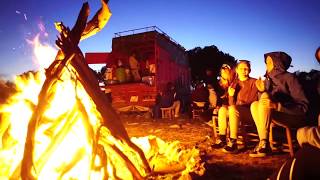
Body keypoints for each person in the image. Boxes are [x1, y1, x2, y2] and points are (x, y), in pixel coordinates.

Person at [250, 51, 309, 158]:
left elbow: (303, 107)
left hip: (294, 115)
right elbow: (262, 107)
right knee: (254, 104)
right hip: (275, 115)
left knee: (264, 98)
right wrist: (262, 90)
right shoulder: (268, 81)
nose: (266, 65)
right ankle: (263, 141)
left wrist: (277, 106)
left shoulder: (290, 78)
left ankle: (264, 142)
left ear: (277, 63)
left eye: (269, 62)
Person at [222, 60, 259, 153]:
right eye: (241, 68)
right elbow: (231, 104)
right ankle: (221, 139)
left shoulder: (254, 82)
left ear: (249, 70)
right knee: (223, 110)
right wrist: (230, 95)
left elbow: (256, 100)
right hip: (236, 111)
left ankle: (233, 141)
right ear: (237, 70)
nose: (243, 70)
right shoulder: (234, 84)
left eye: (246, 68)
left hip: (249, 111)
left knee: (233, 109)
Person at [212, 64, 236, 148]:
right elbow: (220, 97)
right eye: (222, 72)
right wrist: (217, 106)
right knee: (221, 110)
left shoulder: (234, 82)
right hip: (225, 105)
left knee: (226, 109)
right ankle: (222, 139)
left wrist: (228, 88)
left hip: (234, 105)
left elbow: (235, 97)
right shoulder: (220, 84)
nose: (224, 73)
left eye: (226, 72)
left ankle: (233, 140)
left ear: (230, 72)